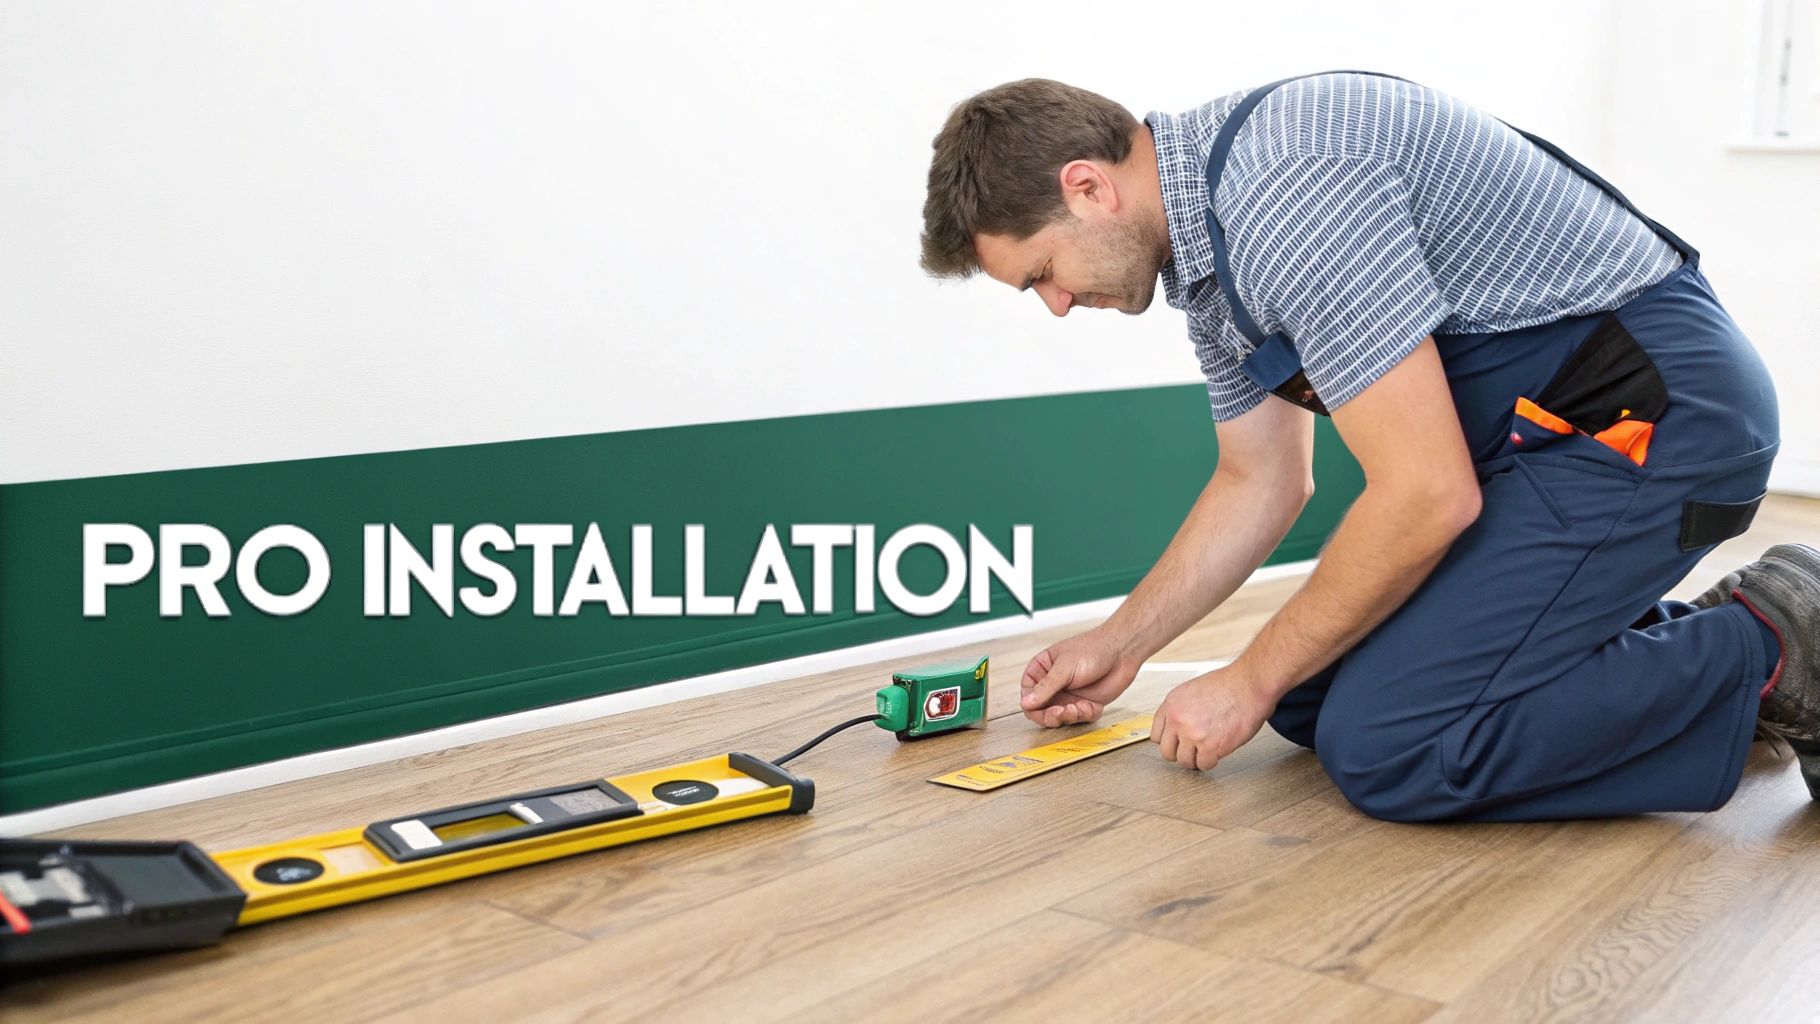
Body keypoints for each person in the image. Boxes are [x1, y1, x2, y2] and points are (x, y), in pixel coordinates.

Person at [918, 71, 1817, 821]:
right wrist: (1124, 644)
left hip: (1656, 419)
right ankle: (1700, 648)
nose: (1058, 304)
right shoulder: (1207, 254)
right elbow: (1259, 479)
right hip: (1539, 442)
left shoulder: (1285, 195)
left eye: (1042, 273)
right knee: (1312, 695)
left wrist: (1246, 679)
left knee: (1392, 745)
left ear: (1087, 187)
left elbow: (1427, 495)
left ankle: (1775, 648)